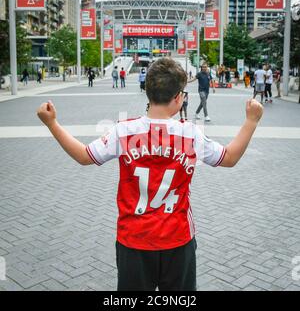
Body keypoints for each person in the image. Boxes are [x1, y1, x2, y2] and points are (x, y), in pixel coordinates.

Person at [36, 57, 263, 291]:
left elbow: (84, 156)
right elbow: (229, 157)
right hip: (178, 239)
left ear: (148, 91)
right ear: (178, 97)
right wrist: (251, 121)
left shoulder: (124, 130)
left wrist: (52, 123)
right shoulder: (190, 133)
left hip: (133, 240)